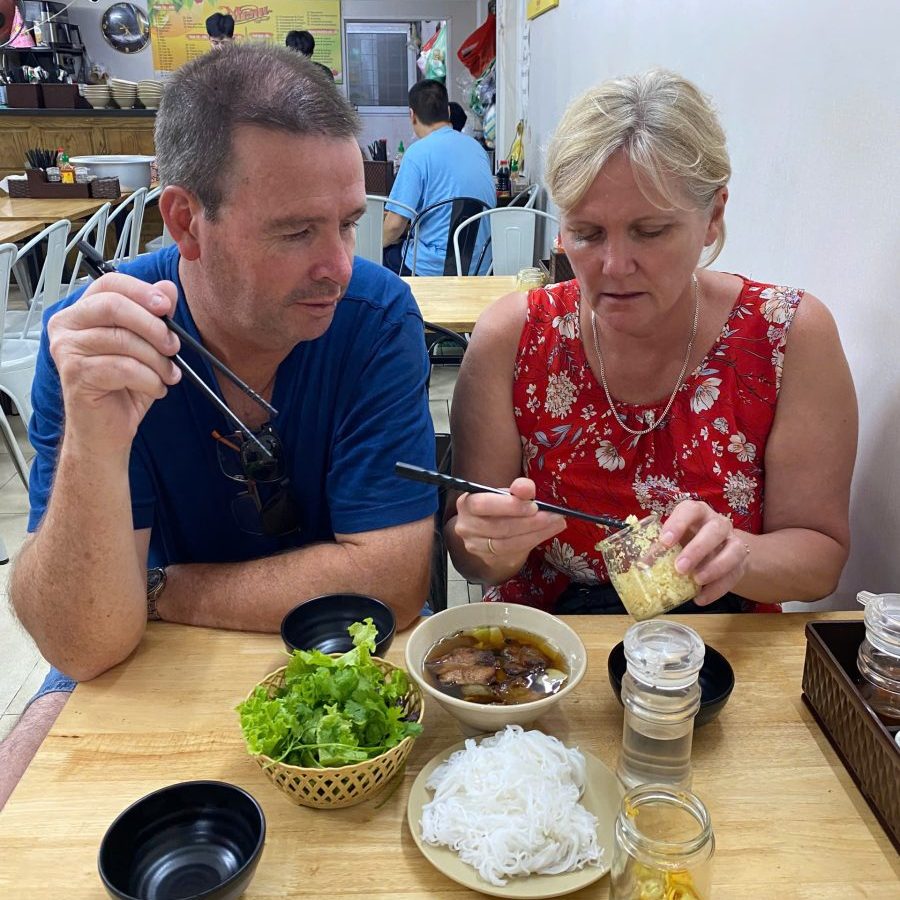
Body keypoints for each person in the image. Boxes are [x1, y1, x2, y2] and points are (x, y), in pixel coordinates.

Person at [0, 43, 436, 809]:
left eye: (347, 224)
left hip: (336, 650)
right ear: (186, 221)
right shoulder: (103, 342)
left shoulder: (374, 317)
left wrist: (162, 589)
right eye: (296, 233)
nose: (339, 265)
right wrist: (96, 440)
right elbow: (86, 643)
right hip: (143, 656)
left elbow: (392, 587)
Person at [445, 69, 857, 615]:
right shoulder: (514, 337)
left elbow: (821, 558)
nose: (615, 266)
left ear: (713, 216)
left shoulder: (786, 336)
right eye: (587, 234)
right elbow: (473, 558)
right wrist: (488, 543)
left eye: (651, 231)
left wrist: (739, 555)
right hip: (550, 642)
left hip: (720, 640)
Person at [382, 79, 496, 276]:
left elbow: (394, 226)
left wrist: (371, 247)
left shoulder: (417, 154)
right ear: (448, 112)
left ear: (412, 116)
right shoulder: (477, 149)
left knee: (382, 256)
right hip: (481, 268)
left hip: (433, 270)